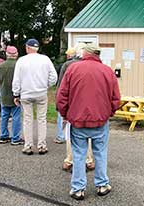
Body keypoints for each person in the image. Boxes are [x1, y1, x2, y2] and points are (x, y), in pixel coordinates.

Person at [56, 44, 120, 200]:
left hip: (77, 120)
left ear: (85, 53)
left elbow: (62, 95)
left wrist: (65, 114)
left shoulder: (72, 69)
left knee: (78, 154)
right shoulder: (107, 71)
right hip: (100, 120)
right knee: (100, 152)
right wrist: (109, 113)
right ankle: (102, 184)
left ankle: (78, 188)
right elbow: (115, 98)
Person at [12, 38, 57, 155]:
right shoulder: (45, 59)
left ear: (27, 48)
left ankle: (28, 146)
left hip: (26, 94)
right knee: (42, 119)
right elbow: (54, 77)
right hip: (41, 93)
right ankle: (42, 145)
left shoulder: (21, 61)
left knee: (28, 119)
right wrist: (46, 85)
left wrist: (16, 94)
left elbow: (16, 79)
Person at [56, 43, 95, 172]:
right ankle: (89, 160)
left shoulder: (68, 66)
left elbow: (61, 88)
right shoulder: (94, 66)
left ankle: (69, 160)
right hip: (89, 105)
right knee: (88, 134)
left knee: (70, 134)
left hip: (73, 106)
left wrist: (60, 107)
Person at [0, 46, 24, 145]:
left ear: (7, 54)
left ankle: (4, 136)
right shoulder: (19, 65)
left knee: (4, 115)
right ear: (16, 54)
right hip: (15, 94)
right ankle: (15, 137)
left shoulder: (1, 65)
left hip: (4, 93)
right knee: (16, 116)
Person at [54, 47, 76, 144]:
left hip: (66, 92)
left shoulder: (66, 65)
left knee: (61, 114)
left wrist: (57, 93)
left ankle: (61, 136)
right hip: (75, 94)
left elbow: (61, 81)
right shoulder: (80, 64)